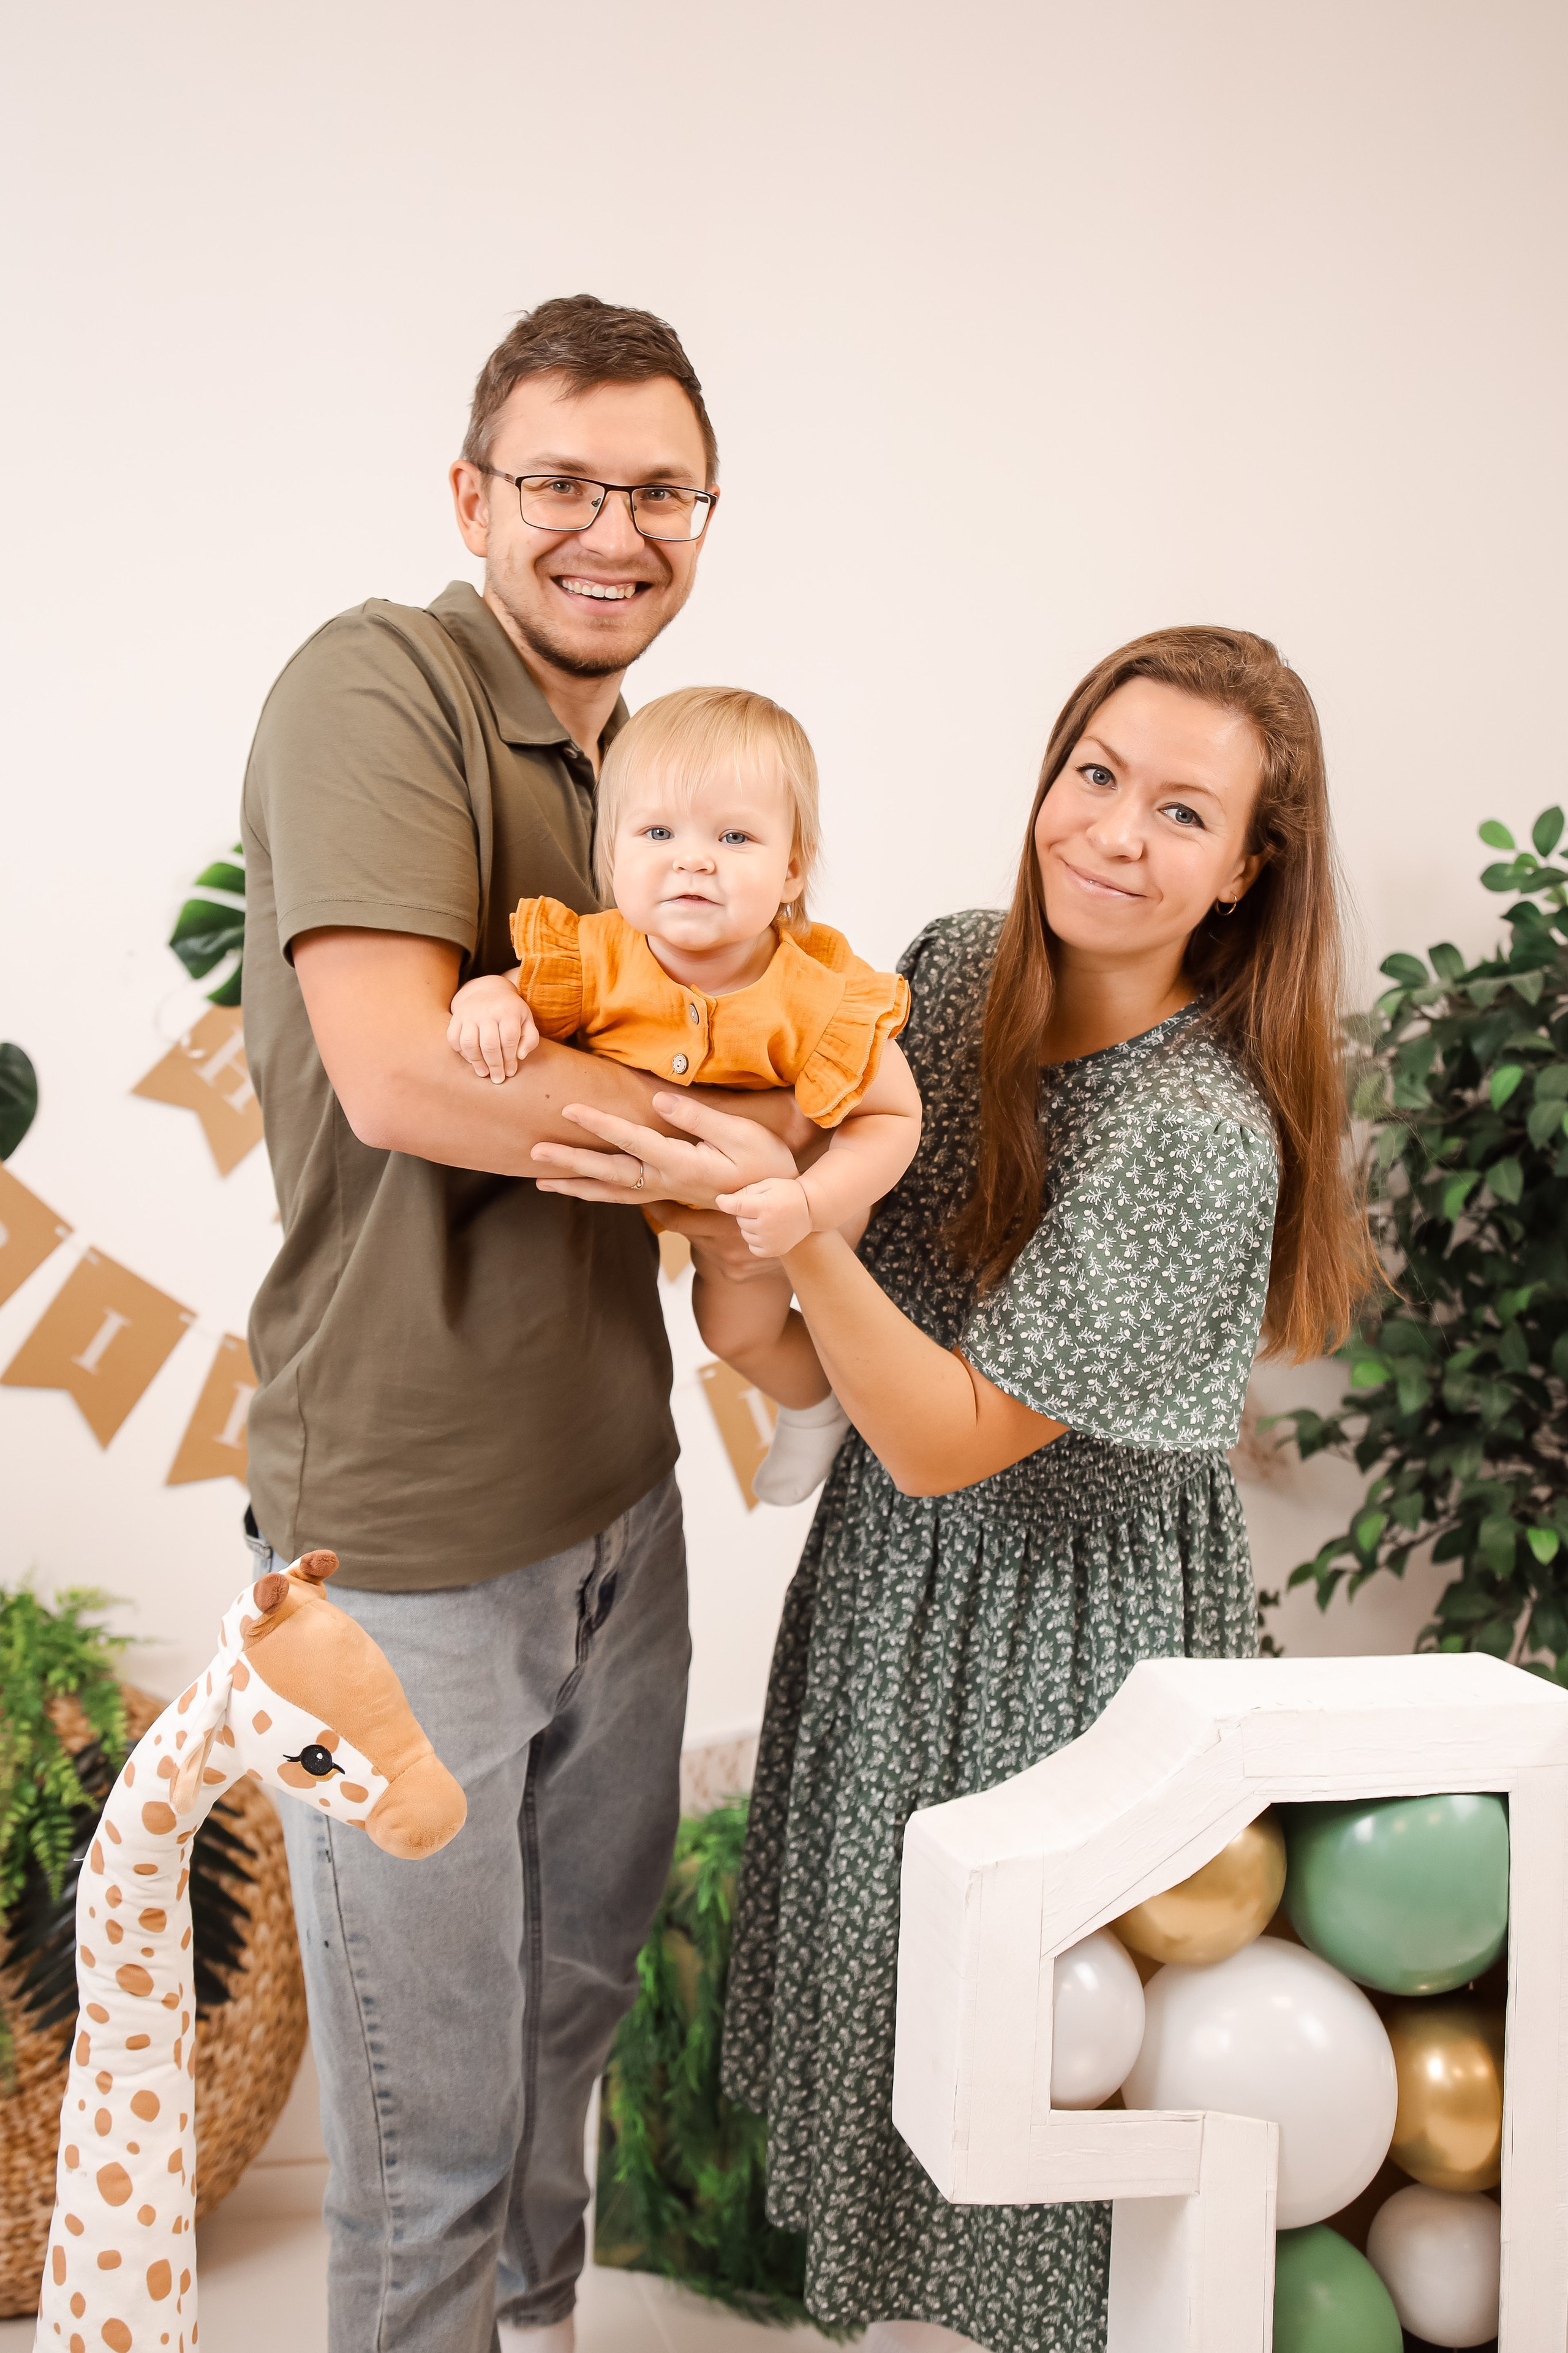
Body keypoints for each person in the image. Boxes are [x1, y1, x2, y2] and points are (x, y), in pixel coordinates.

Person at [529, 625, 1377, 2352]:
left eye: (1181, 812)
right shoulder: (949, 968)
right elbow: (806, 1366)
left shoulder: (1200, 1132)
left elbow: (943, 1431)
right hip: (893, 1592)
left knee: (1046, 2063)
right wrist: (742, 1244)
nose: (1117, 833)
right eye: (1096, 774)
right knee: (895, 2039)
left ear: (1243, 869)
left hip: (1067, 1642)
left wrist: (793, 1217)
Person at [239, 295, 804, 2353]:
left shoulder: (650, 766)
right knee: (433, 2126)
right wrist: (726, 1143)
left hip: (615, 1505)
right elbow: (402, 1081)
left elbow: (769, 1049)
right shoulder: (374, 685)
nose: (614, 526)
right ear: (473, 494)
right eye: (563, 478)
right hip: (395, 1546)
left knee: (565, 2037)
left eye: (663, 489)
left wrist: (771, 1148)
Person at [444, 683, 922, 1504]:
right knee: (730, 1328)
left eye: (735, 836)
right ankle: (817, 1405)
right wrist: (484, 999)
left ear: (791, 869)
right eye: (658, 832)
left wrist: (809, 1207)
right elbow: (514, 993)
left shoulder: (810, 993)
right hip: (704, 1218)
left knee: (826, 1298)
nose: (693, 858)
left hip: (819, 1202)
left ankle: (888, 1401)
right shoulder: (596, 959)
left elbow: (891, 1116)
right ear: (613, 856)